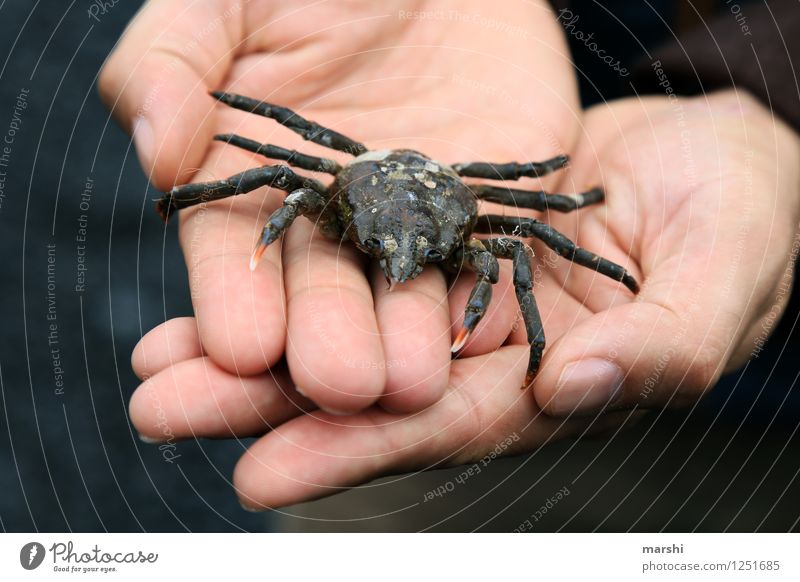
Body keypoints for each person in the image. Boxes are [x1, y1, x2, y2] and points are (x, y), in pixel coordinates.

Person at [99, 0, 800, 510]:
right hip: (383, 167)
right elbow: (276, 152)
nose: (400, 266)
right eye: (381, 251)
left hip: (755, 412)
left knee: (528, 253)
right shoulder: (329, 196)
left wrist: (769, 93)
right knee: (274, 179)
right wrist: (196, 188)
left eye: (420, 256)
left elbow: (537, 232)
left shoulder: (476, 237)